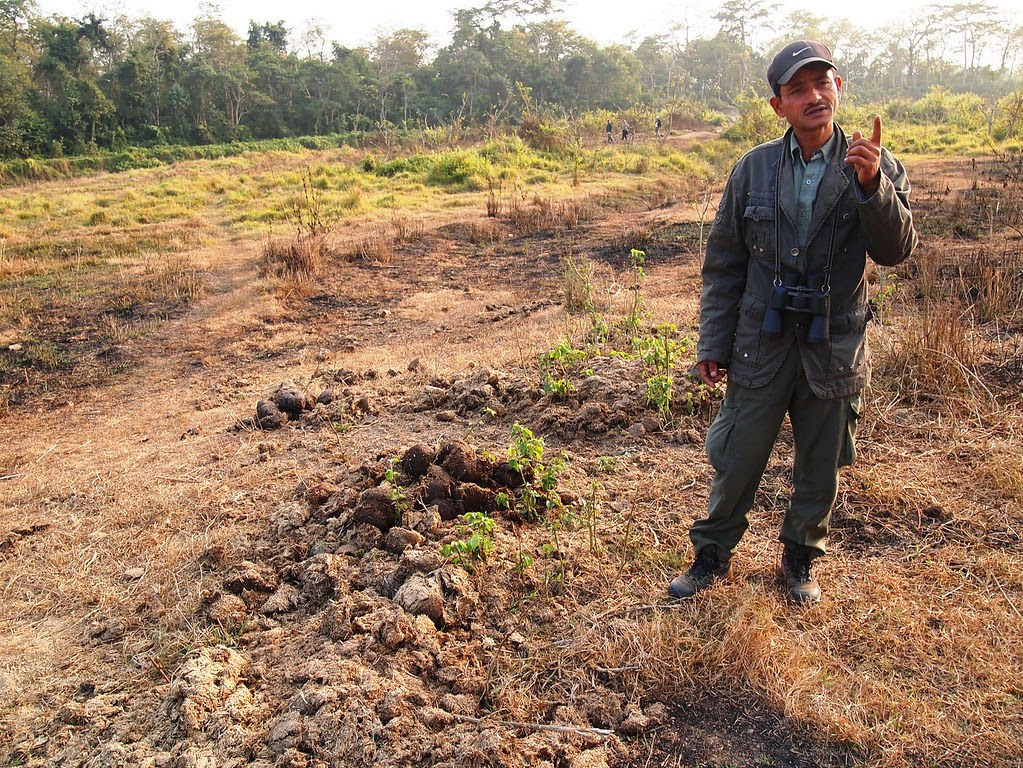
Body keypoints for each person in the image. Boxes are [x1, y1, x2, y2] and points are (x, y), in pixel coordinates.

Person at [668, 41, 918, 604]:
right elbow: (725, 263)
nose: (814, 97)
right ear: (778, 104)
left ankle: (801, 558)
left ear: (839, 88)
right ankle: (711, 554)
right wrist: (713, 342)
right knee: (738, 456)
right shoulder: (753, 168)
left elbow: (896, 251)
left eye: (822, 83)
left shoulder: (873, 163)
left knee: (820, 464)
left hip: (833, 344)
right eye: (798, 89)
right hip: (762, 341)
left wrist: (874, 188)